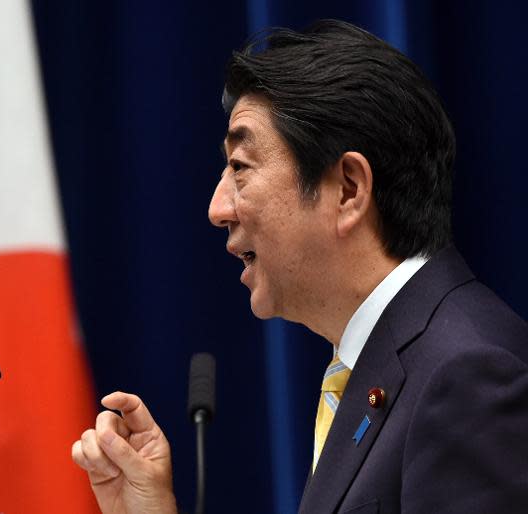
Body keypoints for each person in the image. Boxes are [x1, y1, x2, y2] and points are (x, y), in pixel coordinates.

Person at [71, 20, 528, 513]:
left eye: (240, 167)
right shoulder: (387, 365)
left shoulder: (467, 376)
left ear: (349, 189)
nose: (217, 207)